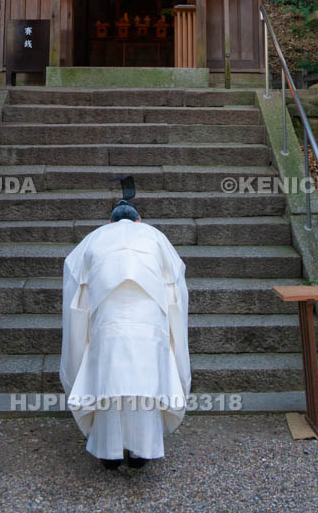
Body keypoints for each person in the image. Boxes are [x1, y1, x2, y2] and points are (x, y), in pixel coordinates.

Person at [60, 194, 190, 469]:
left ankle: (109, 451)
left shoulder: (94, 238)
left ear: (109, 221)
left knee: (109, 383)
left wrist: (81, 333)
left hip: (106, 320)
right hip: (149, 322)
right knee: (145, 386)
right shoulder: (155, 237)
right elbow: (176, 288)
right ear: (139, 220)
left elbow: (74, 288)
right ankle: (142, 450)